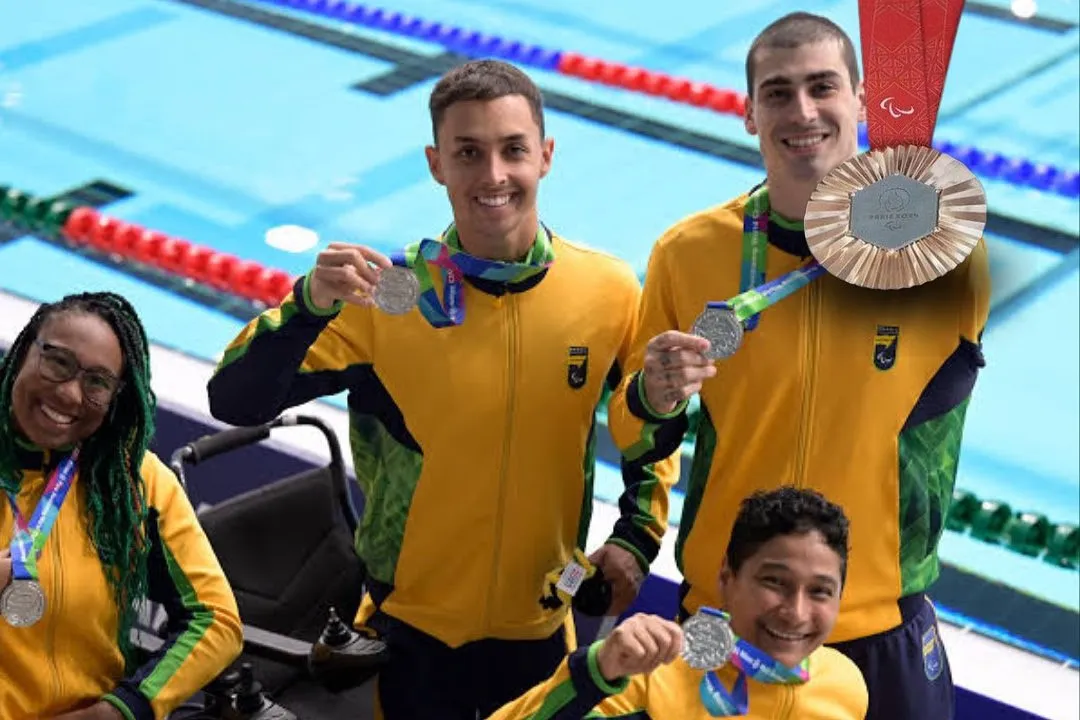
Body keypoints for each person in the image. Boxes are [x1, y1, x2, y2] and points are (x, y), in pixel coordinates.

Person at [206, 59, 678, 719]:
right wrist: (309, 303)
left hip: (540, 630)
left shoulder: (607, 293)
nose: (493, 176)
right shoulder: (385, 296)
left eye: (513, 150)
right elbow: (234, 399)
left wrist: (634, 539)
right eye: (468, 153)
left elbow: (651, 426)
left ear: (545, 156)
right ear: (436, 164)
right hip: (412, 636)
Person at [605, 12, 990, 720]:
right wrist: (651, 398)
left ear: (863, 101)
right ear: (750, 112)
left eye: (823, 87)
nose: (803, 111)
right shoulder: (687, 254)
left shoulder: (945, 261)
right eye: (778, 93)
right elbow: (633, 432)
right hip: (727, 617)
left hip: (877, 629)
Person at [0, 291, 243, 720]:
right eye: (58, 362)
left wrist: (122, 709)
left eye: (97, 382)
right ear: (24, 349)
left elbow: (216, 620)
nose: (71, 394)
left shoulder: (135, 482)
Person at [488, 486, 868, 719]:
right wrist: (596, 672)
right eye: (774, 582)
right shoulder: (651, 682)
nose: (795, 612)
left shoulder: (845, 684)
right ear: (726, 578)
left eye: (820, 591)